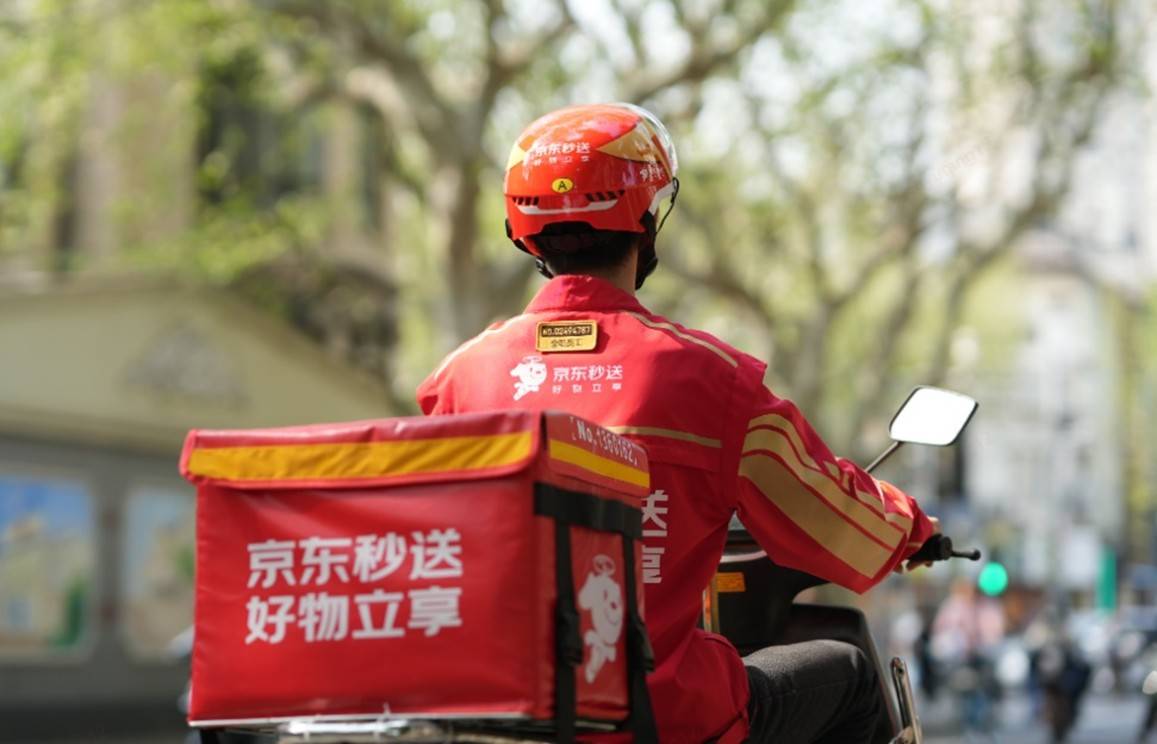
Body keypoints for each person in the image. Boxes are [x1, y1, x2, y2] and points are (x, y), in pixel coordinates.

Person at [417, 103, 938, 743]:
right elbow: (836, 517)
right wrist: (912, 529)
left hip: (500, 714)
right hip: (664, 713)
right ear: (646, 224)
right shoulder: (709, 378)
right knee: (848, 670)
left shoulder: (459, 377)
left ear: (523, 233)